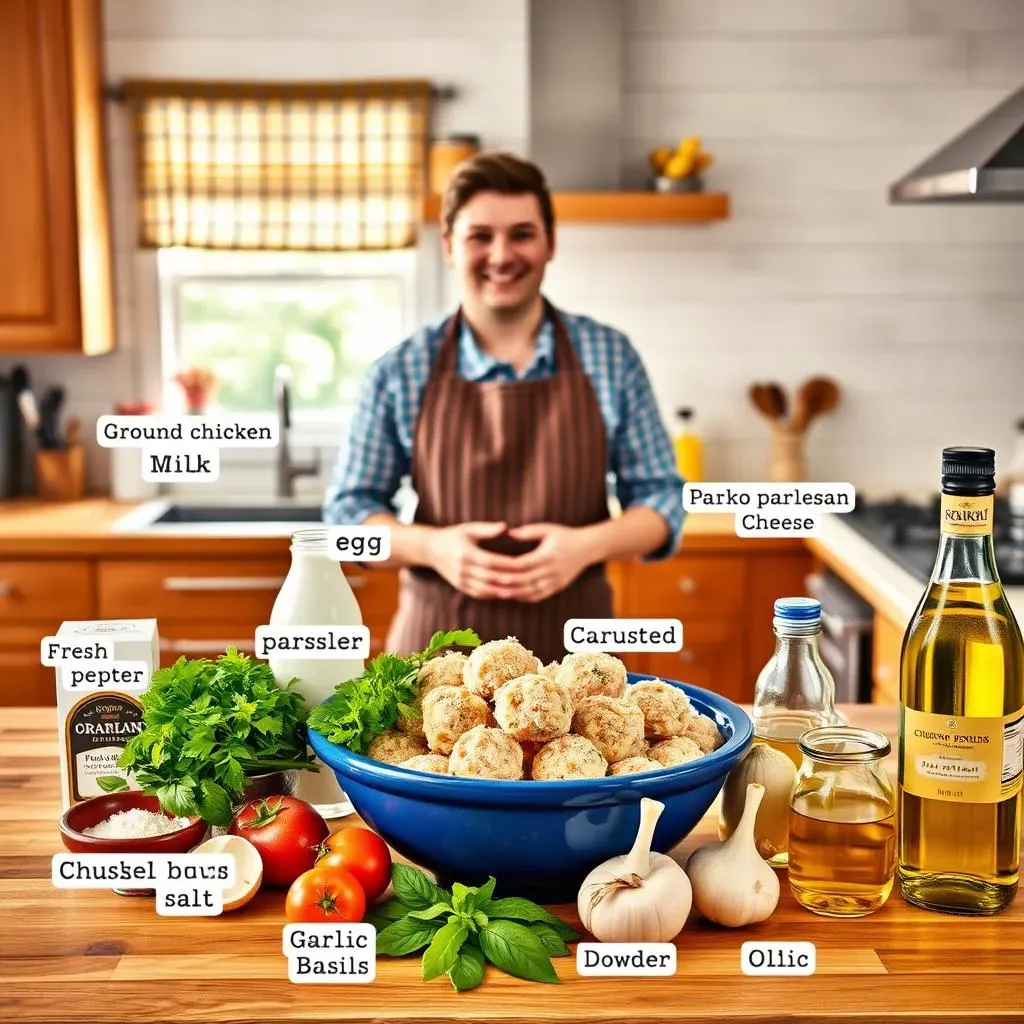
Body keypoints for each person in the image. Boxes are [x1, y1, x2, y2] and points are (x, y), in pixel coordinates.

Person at [323, 151, 684, 663]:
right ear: (449, 246)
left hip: (579, 668)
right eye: (480, 236)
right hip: (437, 665)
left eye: (521, 234)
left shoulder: (611, 357)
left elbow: (662, 502)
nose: (501, 254)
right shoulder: (399, 371)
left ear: (550, 243)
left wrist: (585, 546)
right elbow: (345, 521)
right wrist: (434, 548)